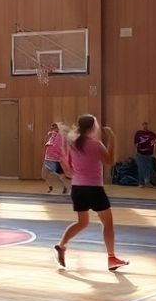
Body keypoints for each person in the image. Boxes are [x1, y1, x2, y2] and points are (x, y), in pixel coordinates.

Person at [53, 116, 127, 271]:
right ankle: (112, 258)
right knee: (108, 224)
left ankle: (62, 245)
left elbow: (70, 167)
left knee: (82, 222)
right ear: (93, 127)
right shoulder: (96, 144)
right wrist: (112, 139)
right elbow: (109, 161)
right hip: (94, 188)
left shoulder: (74, 144)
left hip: (78, 188)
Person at [42, 122, 68, 194]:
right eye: (52, 128)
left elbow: (57, 148)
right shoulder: (52, 135)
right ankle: (50, 187)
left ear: (58, 128)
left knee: (61, 176)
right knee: (44, 175)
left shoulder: (60, 137)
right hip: (47, 158)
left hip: (55, 160)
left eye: (54, 128)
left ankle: (66, 187)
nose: (53, 129)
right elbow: (48, 144)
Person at [133, 122, 156, 187]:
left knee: (148, 167)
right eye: (144, 124)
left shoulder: (152, 134)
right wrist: (137, 150)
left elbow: (155, 142)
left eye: (146, 124)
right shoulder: (138, 133)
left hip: (149, 153)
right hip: (140, 153)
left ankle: (147, 181)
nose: (145, 126)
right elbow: (135, 143)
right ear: (142, 125)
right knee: (141, 167)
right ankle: (141, 183)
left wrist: (153, 147)